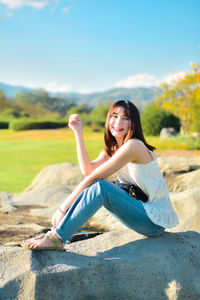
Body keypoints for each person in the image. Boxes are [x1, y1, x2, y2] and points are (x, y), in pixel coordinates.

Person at [21, 100, 179, 251]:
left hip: (153, 220)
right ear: (108, 118)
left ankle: (57, 238)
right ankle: (55, 234)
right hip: (139, 211)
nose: (118, 123)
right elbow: (88, 171)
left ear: (133, 123)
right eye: (114, 116)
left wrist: (63, 207)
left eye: (125, 119)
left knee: (101, 187)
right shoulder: (114, 148)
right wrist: (78, 133)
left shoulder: (134, 146)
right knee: (98, 186)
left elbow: (93, 178)